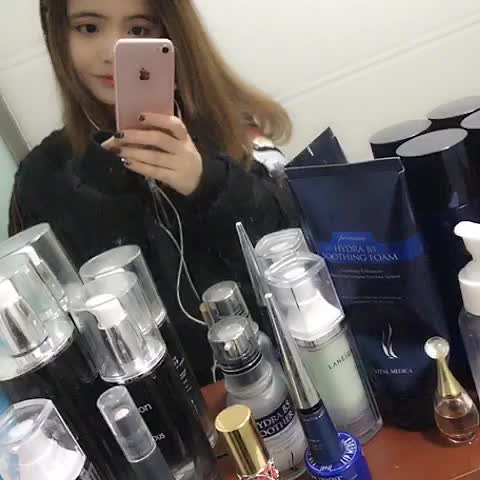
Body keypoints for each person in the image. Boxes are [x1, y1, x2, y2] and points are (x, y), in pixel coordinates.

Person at [8, 0, 298, 386]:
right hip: (148, 407)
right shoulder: (42, 178)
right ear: (57, 34)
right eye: (88, 28)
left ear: (171, 34)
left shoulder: (235, 134)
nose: (112, 51)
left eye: (139, 30)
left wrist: (209, 182)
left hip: (272, 380)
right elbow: (41, 336)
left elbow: (298, 262)